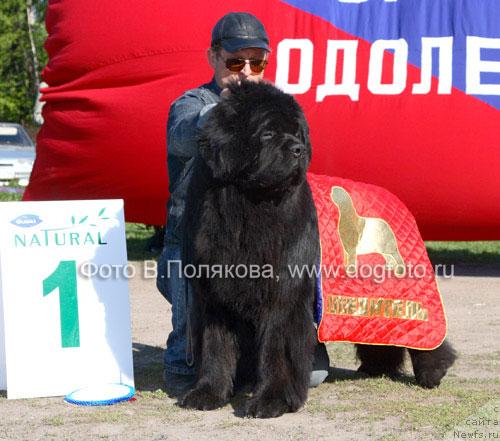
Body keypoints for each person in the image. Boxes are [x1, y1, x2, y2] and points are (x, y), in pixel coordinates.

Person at [157, 12, 329, 395]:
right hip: (194, 244)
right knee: (185, 372)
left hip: (258, 245)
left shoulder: (275, 105)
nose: (247, 71)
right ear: (213, 57)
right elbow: (181, 137)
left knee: (310, 372)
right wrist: (228, 113)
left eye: (258, 62)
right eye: (236, 61)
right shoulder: (191, 105)